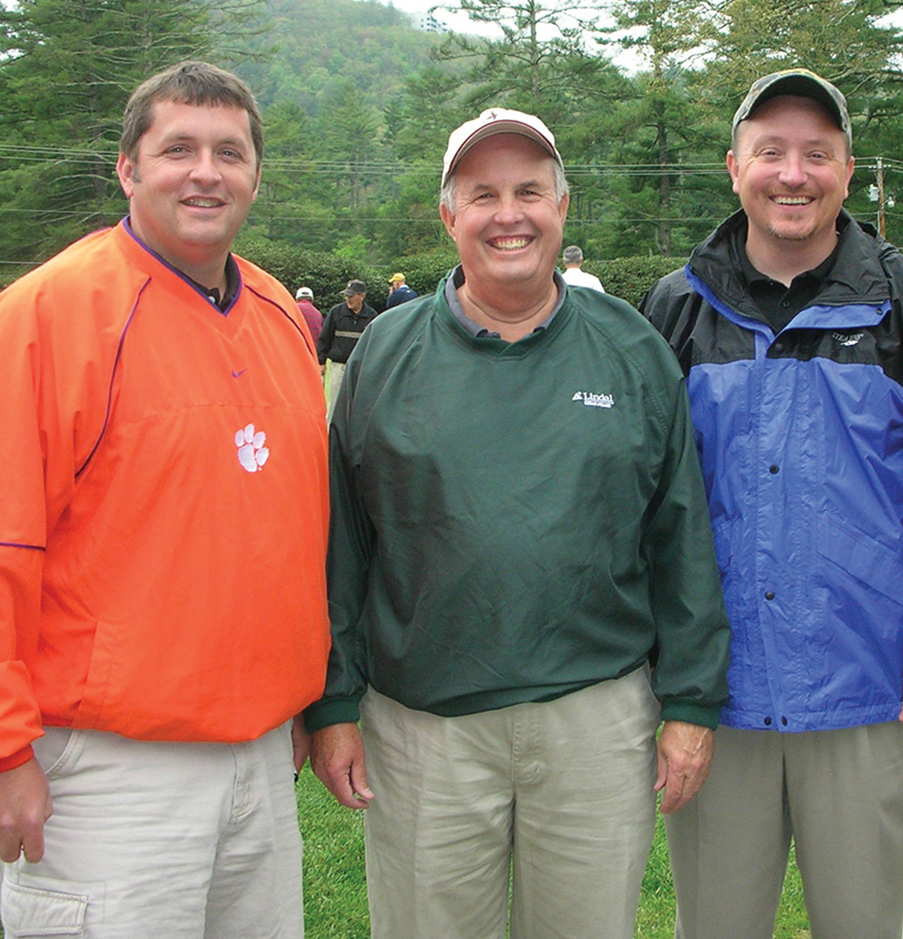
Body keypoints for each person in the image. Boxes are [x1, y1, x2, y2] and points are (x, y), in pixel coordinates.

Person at [0, 61, 330, 939]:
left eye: (229, 151)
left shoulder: (281, 314)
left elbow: (292, 535)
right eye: (177, 149)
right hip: (104, 774)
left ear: (255, 174)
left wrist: (295, 704)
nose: (205, 171)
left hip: (258, 758)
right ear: (128, 169)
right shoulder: (45, 317)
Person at [307, 106, 730, 939]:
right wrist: (331, 703)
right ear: (448, 216)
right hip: (423, 727)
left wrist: (690, 705)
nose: (510, 214)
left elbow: (680, 536)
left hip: (595, 719)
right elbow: (343, 547)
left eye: (530, 191)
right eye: (484, 193)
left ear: (562, 208)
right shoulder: (385, 355)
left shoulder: (631, 350)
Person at [641, 69, 903, 939]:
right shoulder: (676, 308)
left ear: (850, 171)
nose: (792, 174)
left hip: (868, 688)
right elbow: (641, 501)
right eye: (771, 152)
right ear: (734, 167)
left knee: (860, 924)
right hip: (716, 698)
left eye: (817, 153)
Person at [316, 279, 377, 419]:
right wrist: (321, 362)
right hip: (339, 366)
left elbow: (374, 344)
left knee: (358, 405)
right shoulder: (336, 312)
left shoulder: (371, 315)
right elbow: (325, 337)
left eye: (351, 296)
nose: (347, 299)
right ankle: (331, 436)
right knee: (335, 404)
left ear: (362, 296)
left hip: (360, 368)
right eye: (346, 296)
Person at [295, 285, 324, 351]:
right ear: (312, 299)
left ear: (297, 298)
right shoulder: (318, 313)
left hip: (296, 348)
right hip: (313, 351)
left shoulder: (293, 309)